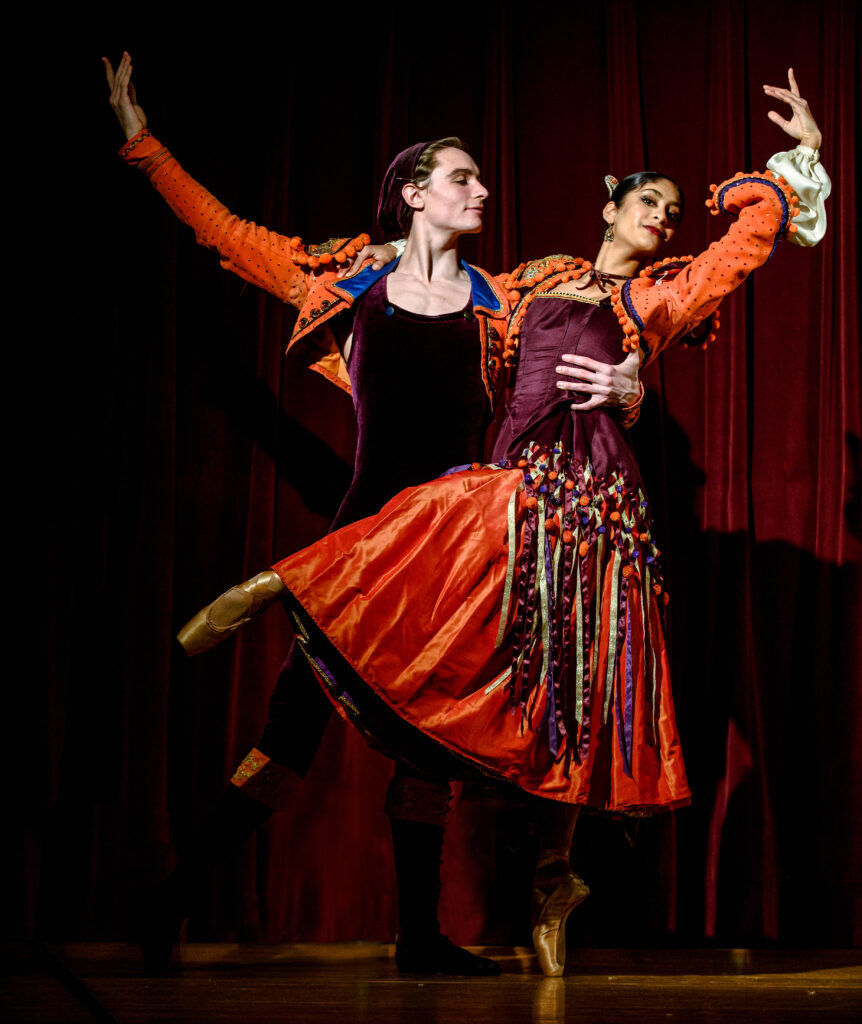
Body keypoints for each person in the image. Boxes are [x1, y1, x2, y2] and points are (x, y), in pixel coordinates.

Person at [178, 69, 829, 975]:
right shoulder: (516, 289)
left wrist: (797, 164)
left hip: (542, 519)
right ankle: (179, 884)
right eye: (651, 200)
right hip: (438, 518)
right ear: (609, 208)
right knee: (298, 730)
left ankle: (490, 905)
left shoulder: (641, 302)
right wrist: (142, 146)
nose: (665, 219)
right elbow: (249, 245)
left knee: (487, 723)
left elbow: (739, 253)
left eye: (676, 212)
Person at [104, 52, 641, 975]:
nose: (481, 189)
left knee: (429, 746)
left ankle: (419, 938)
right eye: (463, 177)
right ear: (414, 195)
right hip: (361, 543)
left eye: (479, 177)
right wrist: (145, 147)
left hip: (455, 552)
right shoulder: (347, 282)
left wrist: (627, 382)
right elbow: (231, 235)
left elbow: (605, 322)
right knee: (288, 739)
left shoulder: (502, 305)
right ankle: (172, 903)